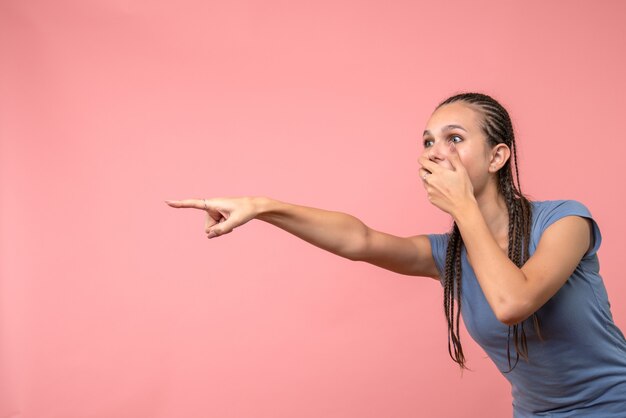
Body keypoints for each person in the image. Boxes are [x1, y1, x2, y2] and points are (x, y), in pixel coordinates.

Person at [165, 92, 626, 416]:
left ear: (497, 156)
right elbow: (360, 239)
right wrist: (263, 206)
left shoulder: (567, 222)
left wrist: (462, 205)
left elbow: (512, 302)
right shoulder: (448, 254)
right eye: (427, 141)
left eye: (455, 139)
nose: (435, 153)